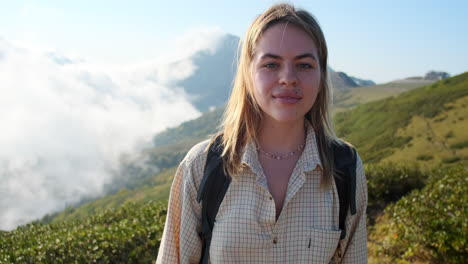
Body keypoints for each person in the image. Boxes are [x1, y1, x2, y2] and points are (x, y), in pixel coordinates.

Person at [156, 3, 367, 263]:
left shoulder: (345, 168)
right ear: (248, 73)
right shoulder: (202, 165)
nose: (288, 78)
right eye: (270, 65)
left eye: (304, 65)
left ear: (322, 75)